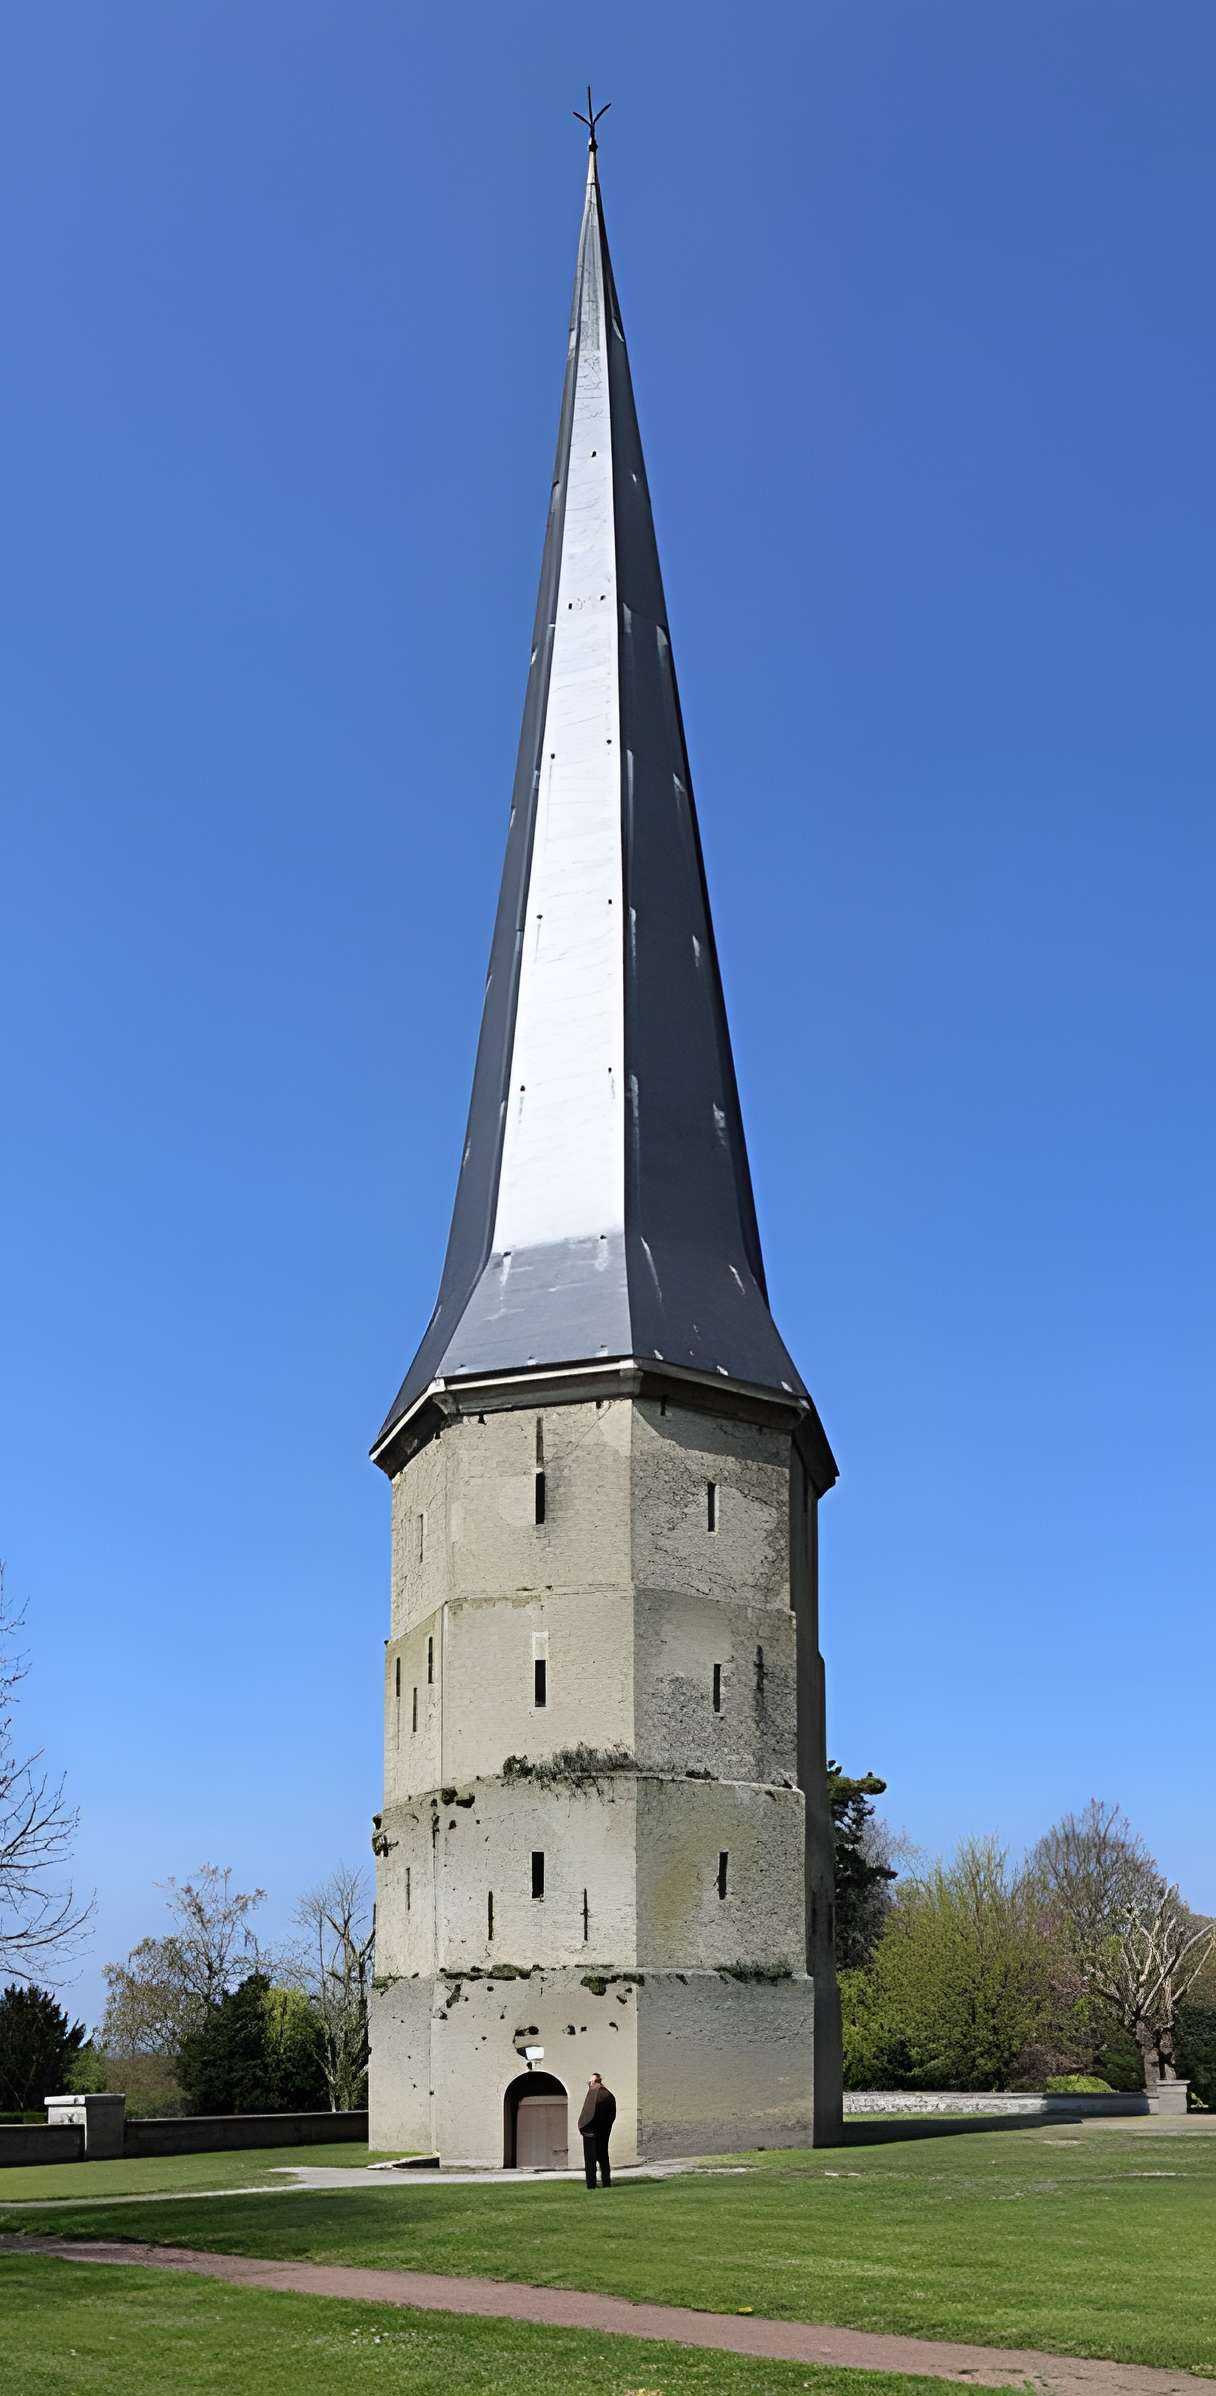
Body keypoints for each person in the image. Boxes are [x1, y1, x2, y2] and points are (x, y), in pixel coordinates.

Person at [577, 2072, 616, 2188]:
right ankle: (606, 2182)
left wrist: (583, 2127)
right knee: (604, 2158)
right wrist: (606, 2128)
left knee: (590, 2160)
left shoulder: (594, 2092)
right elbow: (612, 2115)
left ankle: (591, 2184)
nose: (589, 2084)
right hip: (604, 2132)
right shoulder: (609, 2094)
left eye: (590, 2082)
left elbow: (587, 2114)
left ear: (595, 2082)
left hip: (591, 2132)